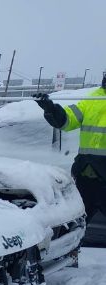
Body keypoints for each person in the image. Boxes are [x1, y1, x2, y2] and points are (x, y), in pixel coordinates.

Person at [35, 75, 106, 230]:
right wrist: (51, 110)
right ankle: (70, 251)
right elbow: (68, 120)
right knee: (76, 226)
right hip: (88, 176)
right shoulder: (92, 100)